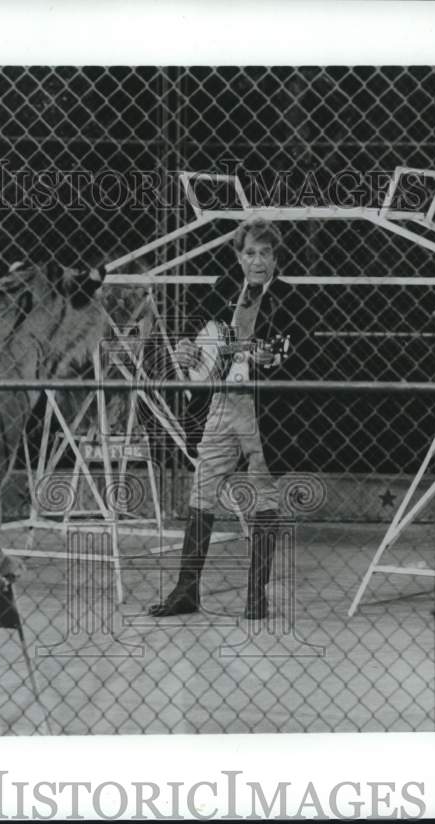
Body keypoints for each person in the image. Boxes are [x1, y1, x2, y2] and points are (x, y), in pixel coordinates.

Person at [147, 217, 316, 620]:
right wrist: (186, 350)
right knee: (202, 490)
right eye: (250, 253)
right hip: (222, 401)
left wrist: (273, 360)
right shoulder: (222, 291)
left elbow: (304, 355)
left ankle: (255, 597)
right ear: (239, 257)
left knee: (264, 493)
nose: (257, 261)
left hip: (264, 408)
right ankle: (185, 592)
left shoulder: (293, 298)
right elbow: (195, 338)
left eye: (265, 253)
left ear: (276, 257)